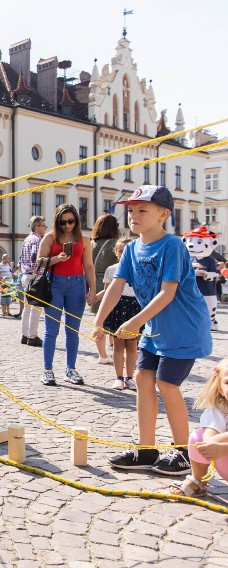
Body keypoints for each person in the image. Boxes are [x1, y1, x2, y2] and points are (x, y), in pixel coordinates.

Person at [95, 185, 212, 475]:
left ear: (163, 215)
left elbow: (167, 294)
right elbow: (115, 287)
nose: (134, 215)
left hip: (184, 330)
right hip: (155, 331)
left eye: (142, 210)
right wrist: (99, 323)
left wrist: (134, 322)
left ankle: (183, 452)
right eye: (131, 210)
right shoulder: (131, 249)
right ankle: (146, 449)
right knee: (142, 378)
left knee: (167, 384)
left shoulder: (172, 246)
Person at [37, 204, 96, 386]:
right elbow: (39, 264)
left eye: (71, 221)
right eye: (63, 222)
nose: (67, 225)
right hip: (55, 284)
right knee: (51, 330)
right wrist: (57, 259)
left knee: (73, 330)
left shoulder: (84, 239)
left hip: (77, 285)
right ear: (57, 221)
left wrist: (92, 288)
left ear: (76, 221)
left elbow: (88, 266)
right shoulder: (50, 238)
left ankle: (71, 369)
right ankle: (47, 370)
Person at [170, 359, 228, 496]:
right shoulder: (219, 411)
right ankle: (198, 481)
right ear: (220, 388)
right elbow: (207, 440)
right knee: (198, 436)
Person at [93, 237, 140, 390]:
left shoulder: (139, 269)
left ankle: (130, 377)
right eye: (120, 251)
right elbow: (108, 292)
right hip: (117, 307)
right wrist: (95, 298)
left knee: (132, 345)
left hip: (134, 307)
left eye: (127, 250)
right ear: (116, 253)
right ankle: (119, 377)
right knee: (118, 345)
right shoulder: (111, 270)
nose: (123, 253)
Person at [91, 213, 122, 364]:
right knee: (115, 317)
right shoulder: (115, 244)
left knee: (99, 320)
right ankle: (113, 348)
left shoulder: (92, 243)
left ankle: (102, 354)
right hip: (110, 281)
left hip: (94, 282)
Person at [19, 216, 47, 346]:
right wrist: (38, 276)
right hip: (33, 276)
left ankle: (25, 335)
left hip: (25, 275)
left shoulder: (26, 239)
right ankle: (33, 336)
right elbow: (36, 259)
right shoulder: (37, 240)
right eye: (43, 226)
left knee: (27, 307)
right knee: (36, 308)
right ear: (37, 227)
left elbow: (20, 259)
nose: (45, 228)